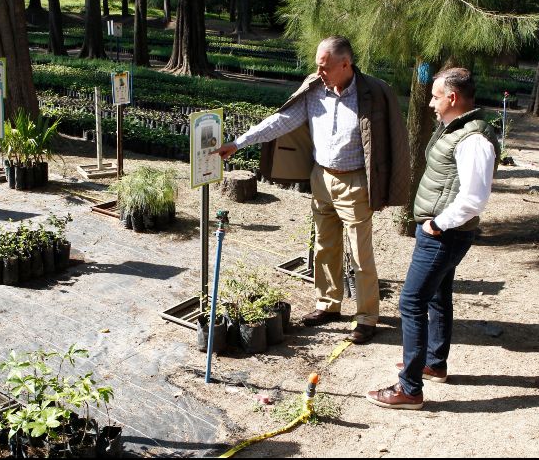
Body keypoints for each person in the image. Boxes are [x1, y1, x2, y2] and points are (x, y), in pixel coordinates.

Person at [213, 35, 409, 344]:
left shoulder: (372, 92)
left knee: (360, 254)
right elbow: (281, 121)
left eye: (325, 67)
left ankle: (367, 316)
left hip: (355, 181)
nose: (320, 73)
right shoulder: (314, 89)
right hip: (321, 178)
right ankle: (328, 305)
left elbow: (392, 140)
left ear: (346, 64)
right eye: (317, 66)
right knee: (324, 246)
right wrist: (239, 143)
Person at [366, 68, 500, 409]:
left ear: (452, 98)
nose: (429, 103)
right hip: (443, 232)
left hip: (445, 235)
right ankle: (433, 364)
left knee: (411, 302)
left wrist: (437, 224)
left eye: (435, 96)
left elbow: (474, 198)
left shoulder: (473, 139)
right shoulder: (456, 130)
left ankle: (409, 389)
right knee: (438, 296)